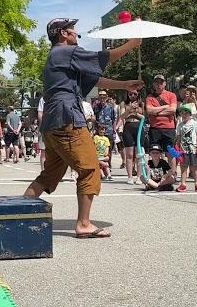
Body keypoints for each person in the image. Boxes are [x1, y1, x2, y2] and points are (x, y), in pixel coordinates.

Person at [23, 18, 143, 239]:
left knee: (50, 174)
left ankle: (19, 213)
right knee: (89, 169)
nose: (76, 34)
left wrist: (125, 84)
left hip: (53, 123)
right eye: (72, 30)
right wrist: (132, 43)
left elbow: (94, 79)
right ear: (62, 34)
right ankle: (84, 224)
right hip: (68, 118)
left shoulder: (59, 58)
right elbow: (104, 58)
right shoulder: (64, 52)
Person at [145, 74, 178, 170]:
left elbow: (173, 110)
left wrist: (156, 112)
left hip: (169, 128)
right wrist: (165, 107)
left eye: (161, 82)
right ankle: (156, 172)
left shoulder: (171, 95)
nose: (159, 85)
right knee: (155, 152)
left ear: (165, 84)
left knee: (170, 152)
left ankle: (172, 173)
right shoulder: (150, 97)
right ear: (153, 84)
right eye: (156, 83)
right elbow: (149, 111)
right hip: (155, 128)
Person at [118, 91, 145, 185]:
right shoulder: (123, 103)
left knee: (139, 154)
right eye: (130, 94)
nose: (132, 96)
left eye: (135, 94)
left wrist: (136, 112)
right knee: (129, 154)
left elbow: (144, 117)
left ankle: (138, 176)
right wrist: (129, 109)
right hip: (128, 126)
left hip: (139, 126)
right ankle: (129, 177)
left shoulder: (142, 103)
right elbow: (122, 116)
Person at [176, 104, 197, 192]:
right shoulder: (180, 125)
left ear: (190, 114)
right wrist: (177, 148)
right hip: (184, 150)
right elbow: (179, 138)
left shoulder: (195, 123)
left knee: (195, 167)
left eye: (186, 113)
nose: (184, 115)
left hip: (193, 149)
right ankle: (183, 184)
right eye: (182, 113)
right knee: (183, 167)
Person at [93, 90, 116, 167]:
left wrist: (114, 131)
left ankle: (108, 165)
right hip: (98, 131)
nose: (102, 98)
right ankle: (100, 166)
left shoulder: (110, 107)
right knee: (98, 148)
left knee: (108, 150)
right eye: (100, 96)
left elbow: (113, 119)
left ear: (106, 97)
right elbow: (94, 119)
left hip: (109, 131)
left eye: (104, 96)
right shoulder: (96, 107)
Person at [38, 96, 47, 171]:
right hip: (45, 127)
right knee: (43, 150)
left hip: (58, 127)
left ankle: (55, 173)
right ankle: (43, 171)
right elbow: (40, 113)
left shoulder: (61, 96)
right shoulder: (43, 98)